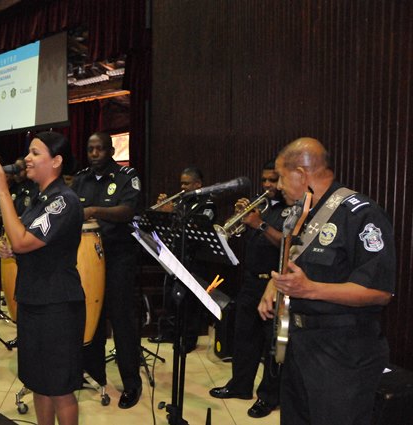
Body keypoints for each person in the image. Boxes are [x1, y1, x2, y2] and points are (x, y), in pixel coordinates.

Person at [258, 137, 395, 425]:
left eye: (281, 177)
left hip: (343, 351)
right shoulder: (303, 214)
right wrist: (276, 284)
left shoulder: (360, 214)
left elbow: (379, 291)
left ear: (301, 174)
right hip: (299, 345)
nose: (278, 186)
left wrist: (310, 290)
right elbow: (298, 263)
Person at [0, 131, 85, 425]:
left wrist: (2, 191)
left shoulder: (63, 201)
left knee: (59, 388)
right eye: (28, 152)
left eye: (35, 153)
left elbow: (22, 241)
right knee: (39, 382)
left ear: (56, 161)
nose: (27, 159)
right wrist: (12, 250)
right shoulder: (39, 199)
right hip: (33, 298)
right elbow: (26, 242)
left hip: (57, 304)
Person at [71, 131, 143, 409]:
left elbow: (127, 211)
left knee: (122, 319)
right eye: (90, 149)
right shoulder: (81, 179)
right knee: (91, 315)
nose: (94, 153)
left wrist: (94, 210)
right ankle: (94, 374)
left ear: (111, 151)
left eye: (100, 149)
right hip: (88, 257)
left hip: (118, 257)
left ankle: (131, 383)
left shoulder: (126, 176)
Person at [209, 161, 285, 418]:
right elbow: (235, 232)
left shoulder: (291, 209)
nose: (267, 185)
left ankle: (268, 397)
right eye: (264, 180)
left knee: (271, 344)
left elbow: (288, 244)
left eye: (273, 180)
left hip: (273, 284)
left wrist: (259, 224)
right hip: (251, 281)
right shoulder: (259, 204)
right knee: (243, 337)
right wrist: (240, 216)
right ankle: (240, 385)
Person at [148, 166, 217, 353]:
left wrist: (173, 213)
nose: (182, 187)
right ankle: (169, 332)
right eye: (181, 183)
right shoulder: (181, 202)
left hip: (195, 259)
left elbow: (197, 227)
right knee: (171, 297)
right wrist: (163, 212)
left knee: (190, 302)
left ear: (198, 184)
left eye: (186, 184)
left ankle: (188, 340)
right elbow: (169, 229)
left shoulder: (207, 204)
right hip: (176, 256)